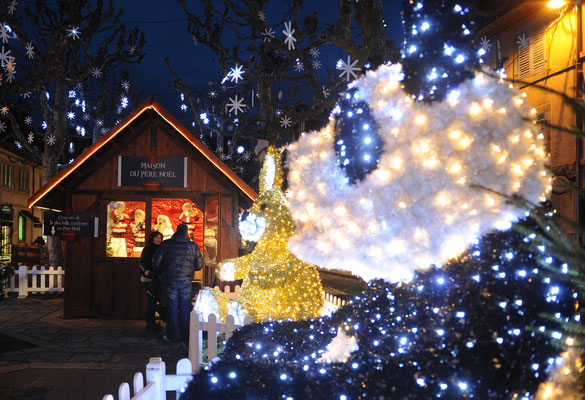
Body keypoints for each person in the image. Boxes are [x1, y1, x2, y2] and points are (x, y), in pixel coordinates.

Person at [153, 224, 203, 345]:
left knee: (172, 308)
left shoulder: (166, 244)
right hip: (186, 281)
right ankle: (185, 336)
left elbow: (156, 261)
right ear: (186, 232)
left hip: (170, 280)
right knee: (185, 308)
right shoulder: (193, 246)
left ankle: (171, 335)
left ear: (176, 231)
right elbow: (199, 265)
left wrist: (161, 272)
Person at [139, 231, 163, 332]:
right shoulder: (147, 248)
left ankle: (153, 323)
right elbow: (141, 263)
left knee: (157, 301)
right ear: (152, 238)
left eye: (160, 238)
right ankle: (150, 324)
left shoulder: (162, 249)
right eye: (156, 237)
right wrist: (145, 271)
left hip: (158, 279)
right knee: (151, 302)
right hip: (148, 279)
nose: (158, 239)